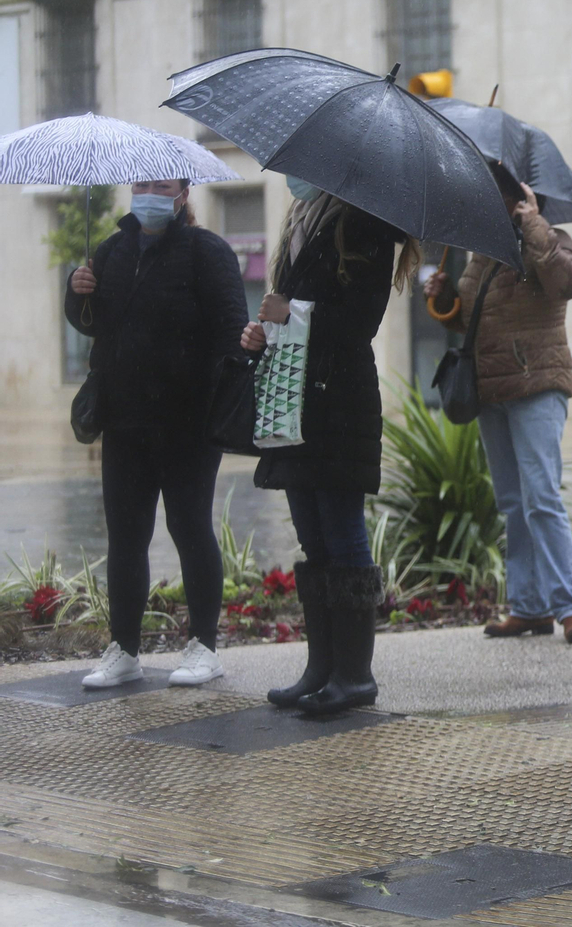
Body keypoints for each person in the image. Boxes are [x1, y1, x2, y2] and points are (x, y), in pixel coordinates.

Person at [242, 176, 420, 715]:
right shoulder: (304, 217)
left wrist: (290, 314)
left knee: (343, 536)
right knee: (313, 537)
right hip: (299, 399)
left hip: (339, 401)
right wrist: (264, 333)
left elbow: (358, 322)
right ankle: (321, 668)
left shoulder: (363, 223)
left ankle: (354, 675)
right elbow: (297, 315)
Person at [66, 178, 247, 689]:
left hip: (187, 424)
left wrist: (215, 400)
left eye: (160, 185)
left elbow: (232, 331)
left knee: (190, 529)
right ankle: (123, 649)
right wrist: (75, 292)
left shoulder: (206, 251)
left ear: (183, 192)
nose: (148, 193)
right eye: (141, 184)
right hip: (124, 421)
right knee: (126, 537)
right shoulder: (111, 250)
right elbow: (93, 323)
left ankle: (204, 647)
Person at [423, 166, 572, 643]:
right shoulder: (483, 256)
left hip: (537, 385)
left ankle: (570, 605)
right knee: (514, 503)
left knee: (542, 498)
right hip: (492, 389)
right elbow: (479, 327)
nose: (487, 205)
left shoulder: (551, 239)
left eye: (498, 197)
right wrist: (447, 300)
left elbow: (567, 283)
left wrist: (534, 224)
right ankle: (528, 606)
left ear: (519, 198)